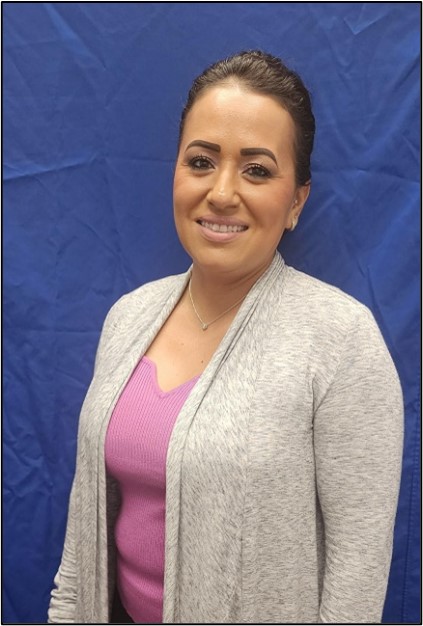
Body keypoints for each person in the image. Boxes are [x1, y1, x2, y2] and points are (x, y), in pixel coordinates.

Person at [48, 50, 403, 624]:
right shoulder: (127, 318)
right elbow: (83, 531)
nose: (221, 192)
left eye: (257, 169)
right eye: (201, 161)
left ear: (296, 201)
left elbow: (357, 576)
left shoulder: (340, 340)